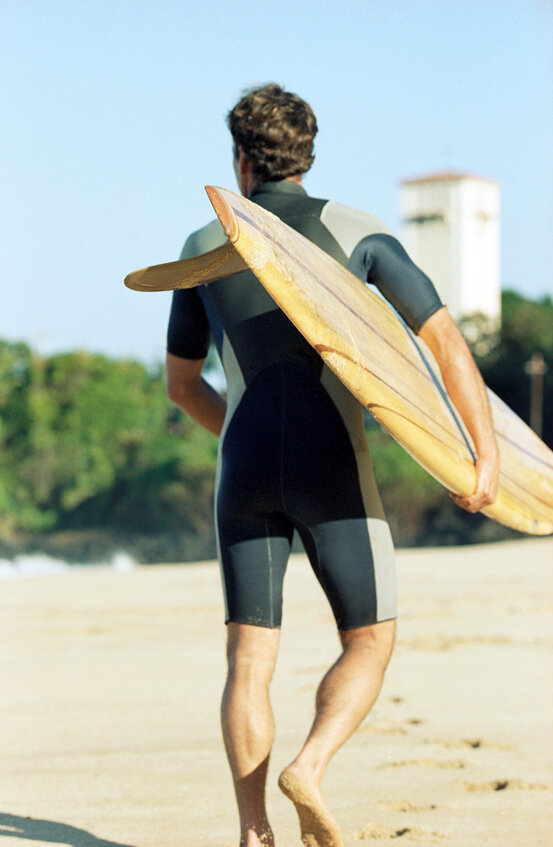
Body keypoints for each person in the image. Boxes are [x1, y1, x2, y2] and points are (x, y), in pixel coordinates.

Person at [165, 84, 499, 847]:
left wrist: (238, 437)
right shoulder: (359, 232)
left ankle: (253, 833)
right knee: (368, 637)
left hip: (243, 464)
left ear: (241, 160)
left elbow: (183, 385)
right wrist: (481, 459)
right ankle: (309, 766)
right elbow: (445, 345)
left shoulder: (201, 245)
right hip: (332, 462)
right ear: (307, 155)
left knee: (248, 654)